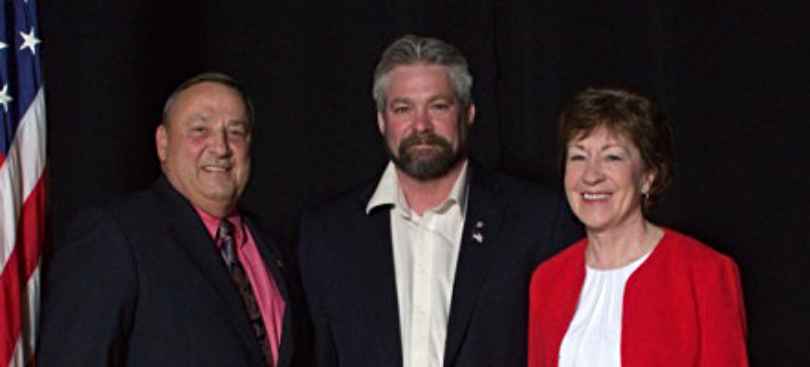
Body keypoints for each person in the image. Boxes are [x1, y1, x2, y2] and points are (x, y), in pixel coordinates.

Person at [297, 34, 581, 367]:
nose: (421, 126)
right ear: (381, 120)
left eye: (438, 106)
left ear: (469, 112)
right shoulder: (328, 234)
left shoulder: (537, 221)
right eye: (403, 108)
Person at [38, 73, 294, 367]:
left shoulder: (272, 247)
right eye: (200, 130)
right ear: (163, 143)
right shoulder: (116, 235)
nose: (221, 148)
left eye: (235, 132)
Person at [528, 87, 748, 367]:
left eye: (613, 157)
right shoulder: (547, 280)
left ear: (647, 177)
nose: (591, 175)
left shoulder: (705, 272)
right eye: (578, 157)